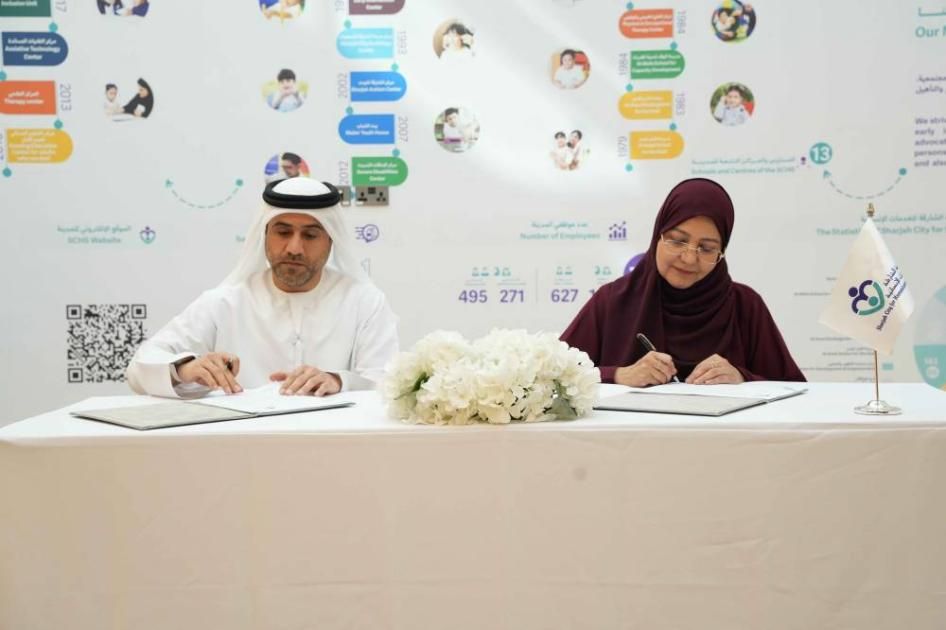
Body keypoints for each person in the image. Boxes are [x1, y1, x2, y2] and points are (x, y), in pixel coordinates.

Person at [125, 177, 399, 398]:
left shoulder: (364, 302)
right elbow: (139, 369)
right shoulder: (226, 302)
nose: (294, 248)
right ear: (265, 235)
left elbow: (387, 384)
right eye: (283, 232)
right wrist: (185, 369)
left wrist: (338, 381)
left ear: (331, 240)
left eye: (310, 235)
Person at [561, 178, 805, 386]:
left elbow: (793, 390)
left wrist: (742, 378)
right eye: (677, 241)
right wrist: (618, 375)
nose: (689, 259)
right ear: (657, 236)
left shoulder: (745, 306)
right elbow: (553, 376)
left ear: (721, 253)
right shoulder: (613, 301)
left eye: (706, 248)